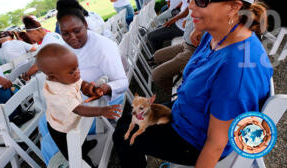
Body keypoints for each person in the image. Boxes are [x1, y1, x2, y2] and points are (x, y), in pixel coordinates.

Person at [113, 0, 273, 167]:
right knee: (125, 121)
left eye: (201, 1)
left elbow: (216, 144)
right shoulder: (220, 31)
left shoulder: (236, 68)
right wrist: (198, 28)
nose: (190, 6)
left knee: (122, 136)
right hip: (189, 113)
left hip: (194, 139)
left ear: (234, 6)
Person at [36, 44, 122, 168]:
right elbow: (79, 109)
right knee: (73, 152)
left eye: (77, 67)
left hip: (71, 119)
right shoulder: (57, 92)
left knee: (81, 134)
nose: (77, 72)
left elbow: (81, 83)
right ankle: (86, 162)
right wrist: (102, 110)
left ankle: (85, 145)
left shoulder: (66, 76)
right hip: (60, 128)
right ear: (53, 77)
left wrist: (89, 88)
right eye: (72, 71)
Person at [56, 0, 128, 102]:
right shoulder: (65, 49)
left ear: (85, 25)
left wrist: (106, 88)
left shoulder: (103, 47)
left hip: (99, 103)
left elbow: (122, 81)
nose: (72, 37)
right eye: (65, 34)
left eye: (76, 31)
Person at [151, 14, 202, 95]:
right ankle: (174, 81)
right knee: (157, 56)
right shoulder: (199, 6)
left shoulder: (213, 11)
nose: (191, 4)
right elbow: (186, 22)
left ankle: (179, 94)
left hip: (195, 50)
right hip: (185, 44)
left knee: (156, 75)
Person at [22, 15, 65, 80]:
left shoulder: (44, 45)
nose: (32, 41)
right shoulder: (53, 34)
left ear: (34, 32)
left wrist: (26, 74)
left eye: (30, 37)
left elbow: (36, 67)